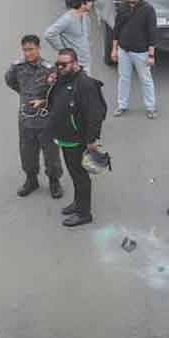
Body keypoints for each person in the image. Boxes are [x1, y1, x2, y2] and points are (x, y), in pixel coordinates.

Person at [48, 48, 107, 227]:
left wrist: (91, 140)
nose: (60, 67)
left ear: (75, 63)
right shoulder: (62, 78)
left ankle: (84, 213)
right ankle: (77, 203)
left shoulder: (85, 84)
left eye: (64, 64)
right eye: (58, 64)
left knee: (80, 176)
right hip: (65, 137)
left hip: (78, 140)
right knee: (74, 173)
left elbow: (95, 114)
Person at [5, 34, 63, 199]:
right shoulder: (17, 67)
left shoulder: (49, 69)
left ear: (38, 49)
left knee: (51, 154)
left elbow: (57, 93)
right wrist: (24, 95)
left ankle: (54, 181)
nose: (28, 53)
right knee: (27, 153)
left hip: (46, 119)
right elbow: (10, 81)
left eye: (31, 49)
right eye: (25, 50)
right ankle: (31, 180)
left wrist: (44, 101)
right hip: (26, 119)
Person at [112, 0, 157, 119]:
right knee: (123, 78)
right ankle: (122, 105)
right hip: (123, 50)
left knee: (146, 80)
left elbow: (152, 33)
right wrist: (114, 49)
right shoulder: (122, 7)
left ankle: (150, 107)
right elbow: (116, 30)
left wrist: (151, 55)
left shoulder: (148, 9)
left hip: (141, 52)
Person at [44, 0, 94, 70]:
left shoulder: (84, 15)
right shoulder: (67, 19)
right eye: (90, 1)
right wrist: (64, 51)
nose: (91, 3)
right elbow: (49, 34)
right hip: (74, 65)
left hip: (85, 62)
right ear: (83, 4)